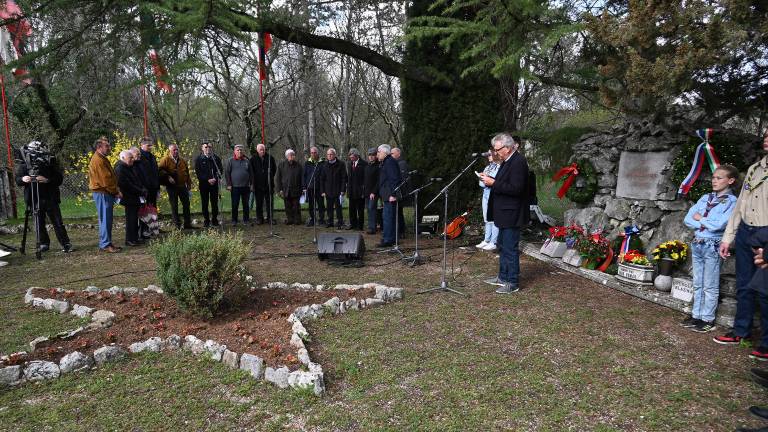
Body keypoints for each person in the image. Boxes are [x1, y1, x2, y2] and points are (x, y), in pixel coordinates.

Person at [713, 132, 768, 359]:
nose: (766, 139)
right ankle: (740, 331)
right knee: (743, 285)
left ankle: (766, 342)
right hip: (746, 230)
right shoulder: (755, 169)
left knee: (765, 291)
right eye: (766, 135)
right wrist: (728, 237)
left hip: (766, 232)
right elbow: (740, 206)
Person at [680, 164, 738, 333]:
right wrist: (704, 221)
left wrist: (701, 220)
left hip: (712, 245)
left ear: (730, 180)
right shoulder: (706, 198)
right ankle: (696, 315)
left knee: (710, 284)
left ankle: (707, 318)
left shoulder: (732, 202)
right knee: (698, 281)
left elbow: (720, 224)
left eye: (719, 178)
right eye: (713, 177)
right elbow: (688, 218)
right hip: (698, 243)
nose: (714, 180)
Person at [481, 133, 530, 294]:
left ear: (508, 148)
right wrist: (489, 180)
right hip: (503, 212)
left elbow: (516, 189)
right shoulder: (506, 161)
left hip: (512, 213)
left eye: (498, 149)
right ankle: (502, 277)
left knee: (510, 248)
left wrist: (493, 183)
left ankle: (513, 282)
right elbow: (504, 183)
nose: (495, 153)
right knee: (502, 245)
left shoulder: (518, 162)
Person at [14, 140, 73, 253]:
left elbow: (59, 179)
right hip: (33, 197)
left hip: (50, 197)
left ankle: (65, 243)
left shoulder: (49, 163)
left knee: (57, 222)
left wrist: (46, 180)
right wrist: (23, 179)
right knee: (38, 223)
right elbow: (17, 180)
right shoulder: (24, 165)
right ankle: (43, 243)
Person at [88, 136, 121, 253]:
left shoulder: (101, 158)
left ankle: (107, 242)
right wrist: (116, 191)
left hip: (105, 192)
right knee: (105, 219)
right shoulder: (98, 160)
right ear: (99, 147)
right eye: (106, 146)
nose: (109, 148)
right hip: (102, 193)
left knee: (106, 219)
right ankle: (105, 244)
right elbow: (105, 180)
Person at [114, 150, 148, 246]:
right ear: (123, 158)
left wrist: (142, 189)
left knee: (134, 219)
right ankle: (130, 240)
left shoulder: (128, 167)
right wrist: (140, 191)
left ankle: (134, 238)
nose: (133, 159)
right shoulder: (120, 168)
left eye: (132, 157)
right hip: (128, 197)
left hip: (134, 196)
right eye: (130, 158)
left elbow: (136, 180)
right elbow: (126, 184)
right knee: (131, 219)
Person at [158, 143, 193, 229]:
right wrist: (168, 176)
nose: (176, 151)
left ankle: (187, 224)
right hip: (172, 187)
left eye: (177, 149)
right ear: (169, 151)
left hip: (182, 186)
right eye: (174, 150)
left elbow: (187, 173)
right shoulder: (165, 160)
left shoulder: (182, 161)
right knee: (174, 206)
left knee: (186, 205)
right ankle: (177, 225)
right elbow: (160, 170)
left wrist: (188, 185)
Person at [377, 144, 401, 247]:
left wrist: (393, 194)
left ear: (385, 152)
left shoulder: (390, 162)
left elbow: (394, 179)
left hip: (390, 195)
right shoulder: (385, 162)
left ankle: (388, 239)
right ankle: (390, 238)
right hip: (386, 194)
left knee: (388, 217)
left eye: (379, 152)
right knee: (388, 217)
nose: (377, 154)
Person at [195, 140, 223, 227]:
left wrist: (215, 178)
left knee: (214, 202)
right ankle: (206, 220)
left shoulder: (216, 158)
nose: (208, 149)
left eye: (209, 147)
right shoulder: (199, 159)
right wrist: (207, 179)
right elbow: (198, 172)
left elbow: (220, 170)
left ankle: (214, 219)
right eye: (206, 147)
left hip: (214, 184)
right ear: (202, 149)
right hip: (204, 185)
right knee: (205, 203)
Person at [476, 153, 500, 251]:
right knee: (486, 217)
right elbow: (481, 183)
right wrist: (482, 178)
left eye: (490, 154)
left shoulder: (500, 167)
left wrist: (487, 178)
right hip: (485, 193)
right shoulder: (487, 167)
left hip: (493, 194)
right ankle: (486, 239)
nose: (488, 156)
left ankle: (494, 241)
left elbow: (495, 180)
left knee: (493, 218)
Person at [320, 148, 347, 228]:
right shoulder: (324, 165)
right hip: (328, 190)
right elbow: (322, 179)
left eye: (331, 154)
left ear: (335, 155)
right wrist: (322, 191)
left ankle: (340, 221)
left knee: (338, 207)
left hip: (338, 190)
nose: (329, 156)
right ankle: (330, 221)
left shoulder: (341, 164)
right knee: (329, 207)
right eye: (328, 154)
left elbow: (344, 178)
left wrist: (343, 190)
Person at [225, 144, 252, 226]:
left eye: (241, 150)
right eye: (238, 150)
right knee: (235, 204)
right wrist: (229, 184)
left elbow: (251, 173)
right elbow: (227, 173)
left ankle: (246, 220)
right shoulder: (230, 161)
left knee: (246, 205)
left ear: (243, 151)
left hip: (246, 187)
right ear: (235, 151)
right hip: (235, 187)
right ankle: (234, 220)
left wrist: (252, 184)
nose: (239, 151)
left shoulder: (247, 161)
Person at [275, 149, 304, 225]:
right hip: (285, 189)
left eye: (293, 155)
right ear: (287, 156)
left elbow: (302, 178)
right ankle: (290, 219)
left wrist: (303, 188)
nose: (291, 156)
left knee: (296, 206)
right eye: (290, 155)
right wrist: (279, 189)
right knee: (287, 206)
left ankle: (297, 220)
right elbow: (277, 178)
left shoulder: (299, 166)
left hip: (296, 189)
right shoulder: (281, 165)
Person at [250, 143, 276, 225]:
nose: (262, 151)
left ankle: (270, 218)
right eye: (260, 149)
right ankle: (259, 218)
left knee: (270, 203)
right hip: (258, 185)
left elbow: (274, 169)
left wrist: (269, 177)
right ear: (257, 150)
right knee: (259, 203)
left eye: (263, 149)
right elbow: (251, 172)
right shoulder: (253, 159)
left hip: (269, 184)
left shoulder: (270, 158)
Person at [303, 146, 326, 227]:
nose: (313, 154)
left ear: (317, 153)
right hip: (310, 188)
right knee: (311, 205)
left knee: (321, 205)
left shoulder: (322, 163)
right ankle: (313, 219)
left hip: (319, 188)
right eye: (312, 153)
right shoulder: (307, 163)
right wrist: (304, 187)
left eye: (315, 152)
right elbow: (304, 176)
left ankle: (321, 220)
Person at [346, 148, 367, 230]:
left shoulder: (364, 164)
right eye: (350, 157)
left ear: (357, 156)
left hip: (360, 191)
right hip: (351, 191)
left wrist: (363, 190)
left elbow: (365, 179)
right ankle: (353, 224)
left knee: (360, 209)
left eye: (352, 157)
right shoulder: (350, 164)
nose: (351, 158)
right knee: (351, 209)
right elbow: (349, 179)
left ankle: (360, 225)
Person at [391, 147, 409, 234]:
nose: (391, 155)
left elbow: (403, 179)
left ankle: (401, 231)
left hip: (400, 192)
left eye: (393, 153)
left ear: (398, 153)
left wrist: (400, 193)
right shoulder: (396, 163)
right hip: (397, 191)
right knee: (398, 212)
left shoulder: (402, 164)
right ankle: (399, 230)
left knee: (399, 213)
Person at [363, 147, 380, 234]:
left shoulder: (378, 166)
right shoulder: (367, 166)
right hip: (366, 192)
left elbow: (378, 181)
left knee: (372, 208)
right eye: (369, 155)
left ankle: (372, 228)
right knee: (368, 210)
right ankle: (371, 226)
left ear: (376, 156)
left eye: (373, 155)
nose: (371, 157)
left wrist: (373, 192)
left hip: (374, 192)